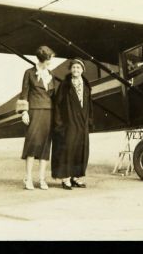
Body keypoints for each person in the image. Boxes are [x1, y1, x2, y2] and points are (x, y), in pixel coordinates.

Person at [17, 45, 56, 190]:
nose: (50, 63)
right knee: (32, 144)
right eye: (49, 60)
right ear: (42, 59)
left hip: (49, 112)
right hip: (34, 111)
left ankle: (41, 179)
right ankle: (28, 178)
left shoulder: (50, 73)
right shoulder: (29, 73)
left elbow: (53, 95)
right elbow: (24, 93)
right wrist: (24, 112)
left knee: (46, 145)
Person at [51, 58, 93, 190]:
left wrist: (89, 120)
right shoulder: (65, 85)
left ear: (82, 70)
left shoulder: (86, 85)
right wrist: (59, 124)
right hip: (69, 122)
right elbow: (57, 105)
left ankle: (76, 177)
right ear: (71, 69)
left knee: (81, 149)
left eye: (78, 68)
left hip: (82, 122)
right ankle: (66, 178)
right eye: (74, 67)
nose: (76, 70)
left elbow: (89, 105)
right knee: (67, 149)